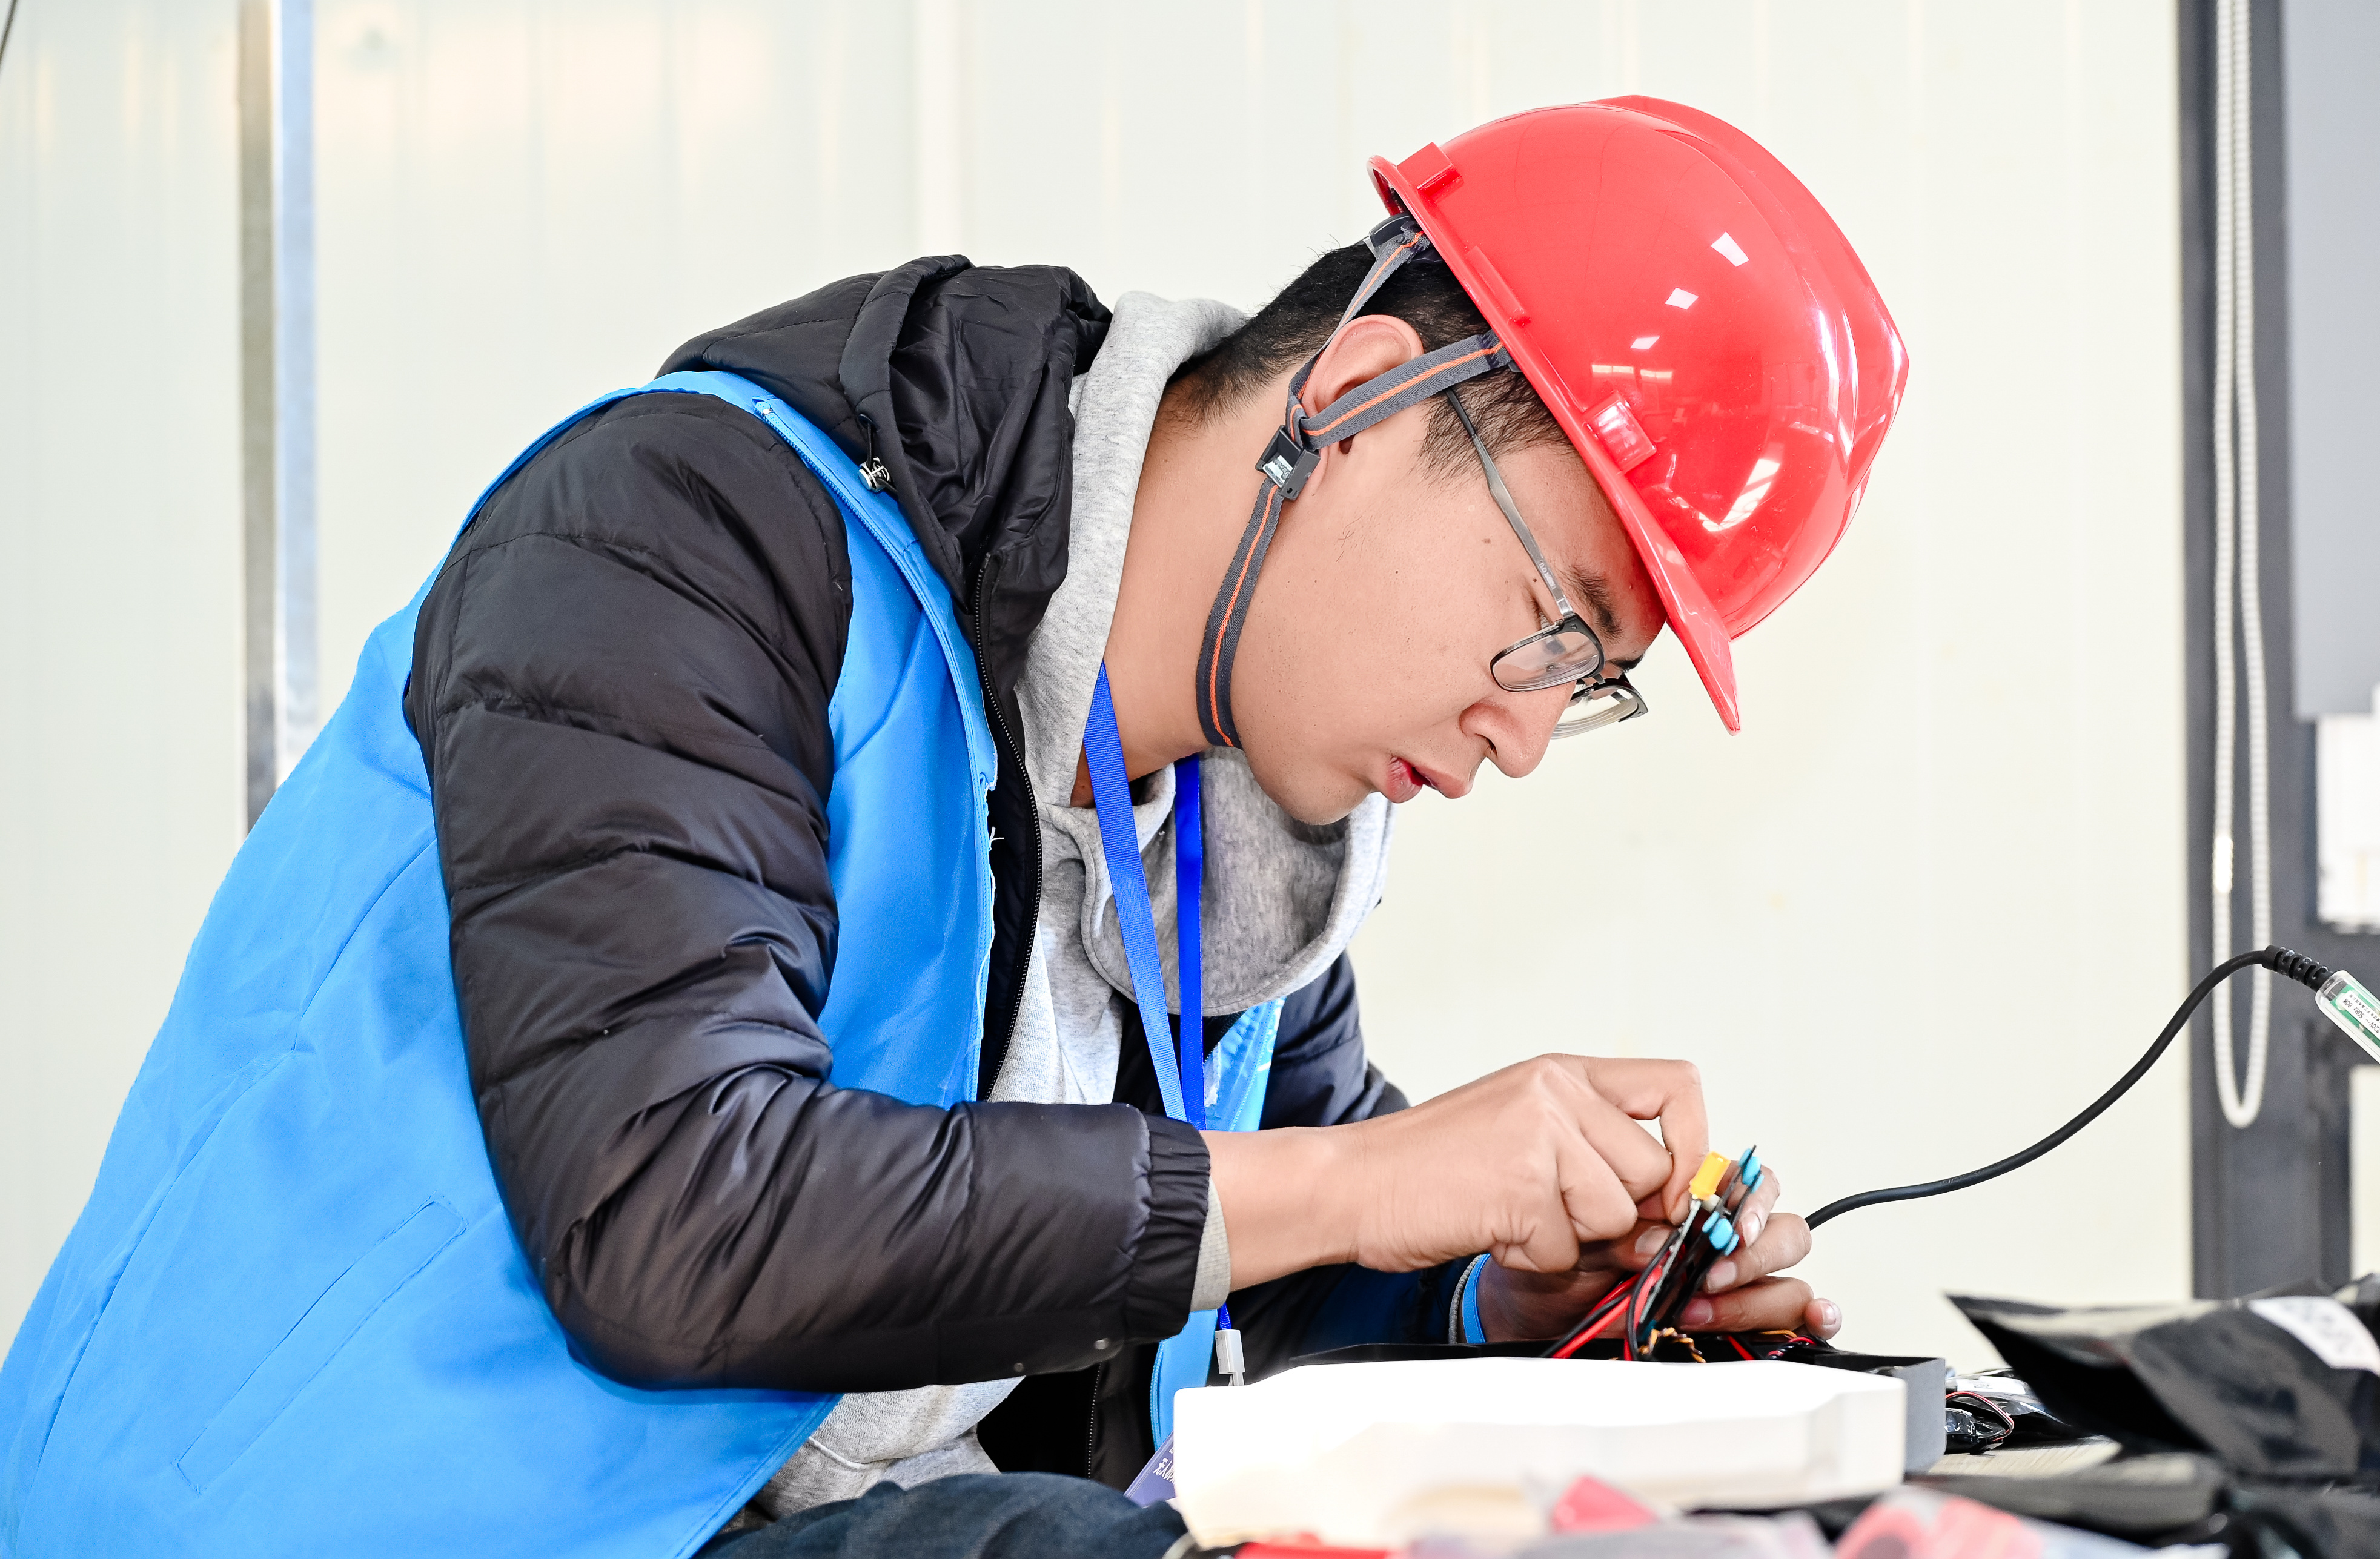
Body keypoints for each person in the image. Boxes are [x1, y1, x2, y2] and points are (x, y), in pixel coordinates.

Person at [0, 96, 1904, 1558]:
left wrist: (1511, 1286)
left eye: (1593, 679)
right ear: (1361, 398)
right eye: (1553, 617)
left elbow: (1260, 1248)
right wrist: (1372, 1180)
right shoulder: (685, 547)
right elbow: (675, 1216)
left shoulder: (1240, 836)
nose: (1529, 731)